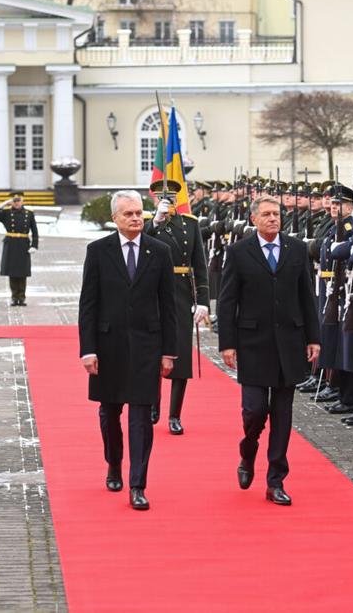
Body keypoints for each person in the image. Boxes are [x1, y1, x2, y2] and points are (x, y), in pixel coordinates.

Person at [218, 195, 321, 506]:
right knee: (254, 411)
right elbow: (227, 301)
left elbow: (307, 296)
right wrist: (228, 343)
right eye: (266, 214)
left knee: (282, 414)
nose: (273, 219)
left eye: (276, 214)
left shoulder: (296, 249)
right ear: (254, 219)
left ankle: (276, 479)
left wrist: (313, 338)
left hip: (289, 342)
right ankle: (247, 451)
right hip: (253, 343)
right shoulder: (239, 252)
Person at [78, 190, 177, 511]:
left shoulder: (159, 252)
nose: (136, 218)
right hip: (108, 348)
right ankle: (113, 463)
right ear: (115, 219)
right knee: (109, 414)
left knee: (140, 418)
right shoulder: (98, 251)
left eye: (139, 213)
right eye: (128, 214)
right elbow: (88, 306)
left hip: (147, 347)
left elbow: (169, 305)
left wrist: (169, 352)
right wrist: (88, 350)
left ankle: (138, 484)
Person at [145, 179, 210, 434]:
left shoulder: (190, 224)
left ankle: (175, 414)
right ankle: (153, 403)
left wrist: (203, 301)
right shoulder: (149, 223)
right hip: (153, 292)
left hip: (181, 293)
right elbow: (140, 244)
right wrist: (156, 221)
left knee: (180, 353)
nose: (168, 201)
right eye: (163, 197)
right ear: (154, 199)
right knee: (152, 350)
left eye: (172, 197)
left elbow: (200, 266)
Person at [0, 191, 39, 307]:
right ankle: (14, 297)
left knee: (22, 272)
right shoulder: (6, 213)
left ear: (22, 201)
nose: (16, 203)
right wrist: (4, 204)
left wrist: (34, 245)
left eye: (18, 201)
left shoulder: (29, 213)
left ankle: (21, 297)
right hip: (11, 244)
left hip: (23, 244)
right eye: (14, 201)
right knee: (12, 272)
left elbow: (35, 231)